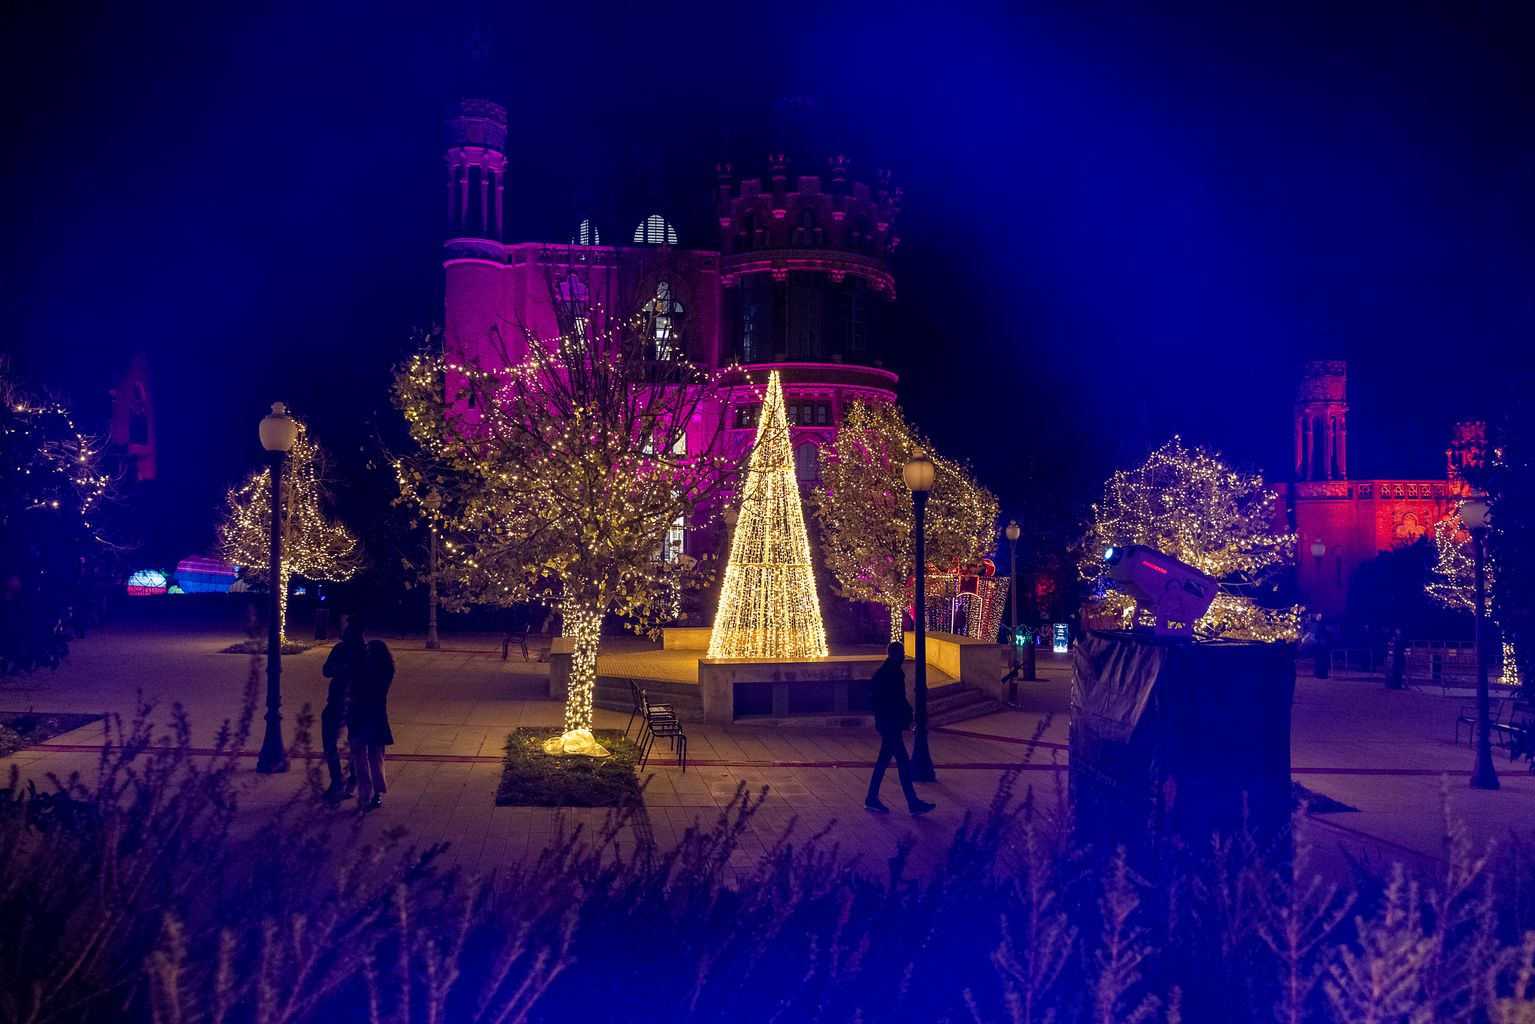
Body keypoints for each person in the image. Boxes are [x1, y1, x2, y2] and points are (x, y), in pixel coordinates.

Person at [865, 641, 936, 816]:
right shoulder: (892, 673)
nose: (904, 656)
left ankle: (872, 798)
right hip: (891, 725)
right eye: (902, 653)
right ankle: (912, 803)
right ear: (894, 654)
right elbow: (895, 699)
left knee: (886, 762)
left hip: (888, 724)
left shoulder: (887, 672)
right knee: (903, 763)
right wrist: (905, 713)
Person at [320, 617, 364, 801]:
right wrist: (341, 668)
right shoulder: (339, 648)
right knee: (329, 740)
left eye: (348, 629)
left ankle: (354, 779)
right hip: (335, 701)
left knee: (355, 743)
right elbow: (326, 670)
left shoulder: (364, 651)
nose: (344, 632)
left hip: (356, 704)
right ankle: (337, 779)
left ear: (358, 631)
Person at [349, 638, 395, 811]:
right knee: (361, 757)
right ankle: (367, 793)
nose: (367, 655)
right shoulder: (368, 670)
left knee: (374, 757)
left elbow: (368, 691)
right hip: (363, 716)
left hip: (372, 716)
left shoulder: (382, 671)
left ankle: (375, 793)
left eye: (370, 652)